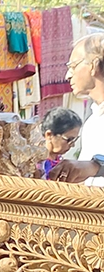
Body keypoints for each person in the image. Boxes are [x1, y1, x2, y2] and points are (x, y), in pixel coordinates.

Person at [48, 33, 104, 184]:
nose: (67, 75)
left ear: (93, 66)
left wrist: (96, 165)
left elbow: (93, 168)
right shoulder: (93, 121)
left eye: (73, 66)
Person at [35, 107, 81, 179]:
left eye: (75, 140)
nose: (72, 145)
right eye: (69, 139)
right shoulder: (36, 165)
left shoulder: (59, 160)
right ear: (49, 135)